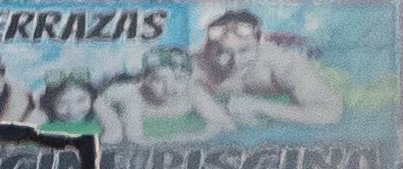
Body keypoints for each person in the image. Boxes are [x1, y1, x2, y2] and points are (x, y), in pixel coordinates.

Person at [194, 7, 344, 126]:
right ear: (209, 49)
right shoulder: (199, 65)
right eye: (223, 53)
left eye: (244, 50)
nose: (236, 61)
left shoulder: (284, 63)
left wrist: (259, 106)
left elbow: (330, 112)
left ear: (259, 42)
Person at [98, 45, 233, 143]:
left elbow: (226, 124)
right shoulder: (135, 97)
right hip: (104, 100)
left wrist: (208, 132)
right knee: (114, 134)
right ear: (145, 81)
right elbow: (135, 139)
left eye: (180, 78)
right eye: (159, 80)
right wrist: (185, 139)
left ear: (188, 78)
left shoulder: (192, 92)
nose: (170, 87)